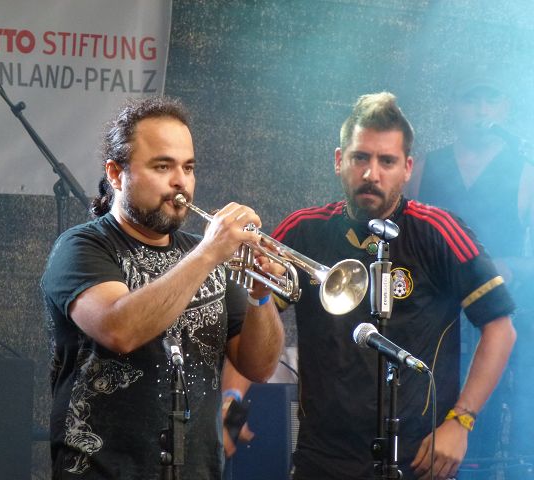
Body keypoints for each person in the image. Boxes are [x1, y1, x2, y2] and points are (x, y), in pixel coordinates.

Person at [270, 92, 516, 480]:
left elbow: (500, 327)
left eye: (387, 161)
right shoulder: (302, 230)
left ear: (407, 168)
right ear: (339, 160)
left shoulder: (439, 231)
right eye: (360, 158)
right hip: (322, 456)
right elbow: (250, 315)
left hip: (418, 457)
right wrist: (232, 399)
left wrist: (461, 421)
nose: (372, 173)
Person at [40, 96, 284, 479]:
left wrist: (260, 293)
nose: (180, 181)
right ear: (116, 174)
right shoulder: (82, 247)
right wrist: (209, 253)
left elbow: (260, 367)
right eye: (162, 166)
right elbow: (119, 329)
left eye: (188, 167)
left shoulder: (205, 256)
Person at [417, 72, 534, 463]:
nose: (481, 109)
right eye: (471, 99)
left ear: (506, 108)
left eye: (491, 99)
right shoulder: (424, 167)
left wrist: (510, 266)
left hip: (498, 319)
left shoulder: (526, 170)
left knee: (493, 436)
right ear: (453, 107)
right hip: (433, 320)